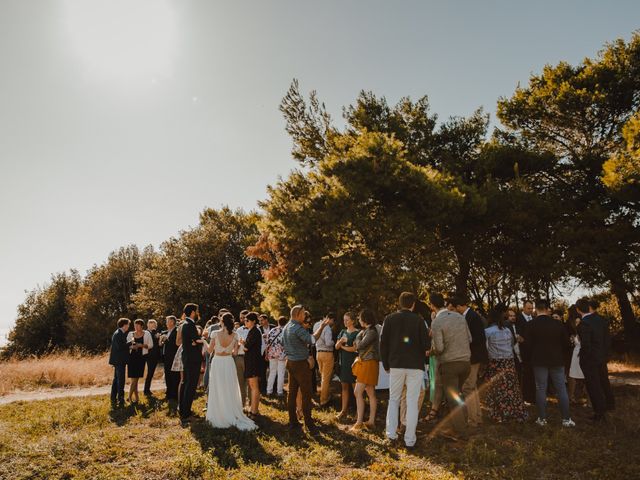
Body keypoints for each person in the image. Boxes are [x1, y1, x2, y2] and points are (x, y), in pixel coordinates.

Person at [380, 292, 429, 449]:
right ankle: (410, 439)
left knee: (393, 399)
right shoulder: (419, 321)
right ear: (413, 304)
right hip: (415, 366)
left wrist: (386, 364)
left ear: (399, 303)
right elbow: (426, 347)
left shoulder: (389, 319)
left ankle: (391, 434)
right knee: (412, 402)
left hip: (396, 364)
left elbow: (383, 343)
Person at [523, 299, 575, 427]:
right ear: (547, 309)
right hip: (557, 360)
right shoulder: (558, 324)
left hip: (539, 361)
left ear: (536, 309)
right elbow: (567, 344)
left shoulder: (531, 325)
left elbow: (527, 345)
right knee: (561, 389)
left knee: (540, 389)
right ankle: (566, 419)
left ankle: (542, 419)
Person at [282, 305, 331, 434]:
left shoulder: (286, 327)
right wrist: (321, 327)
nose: (305, 316)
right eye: (303, 314)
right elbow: (312, 339)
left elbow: (283, 343)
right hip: (300, 365)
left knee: (292, 393)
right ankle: (309, 424)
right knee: (306, 394)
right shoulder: (297, 328)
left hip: (290, 362)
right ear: (298, 314)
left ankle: (293, 422)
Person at [429, 292, 472, 440]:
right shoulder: (460, 317)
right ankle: (460, 425)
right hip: (466, 363)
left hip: (450, 364)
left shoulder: (436, 322)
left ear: (432, 306)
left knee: (453, 398)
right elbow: (470, 338)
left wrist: (430, 352)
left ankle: (460, 432)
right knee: (458, 394)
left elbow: (439, 348)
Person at [205, 312, 257, 430]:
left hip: (217, 362)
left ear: (222, 322)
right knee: (229, 387)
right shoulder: (235, 335)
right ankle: (230, 410)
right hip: (228, 362)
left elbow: (209, 350)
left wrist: (203, 341)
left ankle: (219, 412)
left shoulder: (214, 333)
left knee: (218, 386)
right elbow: (234, 353)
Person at [483, 305, 527, 423]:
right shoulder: (507, 330)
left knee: (497, 388)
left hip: (496, 362)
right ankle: (514, 411)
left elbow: (486, 347)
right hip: (509, 361)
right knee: (511, 388)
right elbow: (512, 343)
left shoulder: (487, 332)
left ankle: (499, 413)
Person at [450, 295, 488, 428]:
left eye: (455, 308)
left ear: (460, 306)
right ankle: (477, 417)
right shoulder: (469, 316)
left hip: (474, 357)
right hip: (472, 356)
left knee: (467, 388)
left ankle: (472, 420)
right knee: (473, 387)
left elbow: (478, 338)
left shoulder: (471, 317)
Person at [576, 298, 614, 422]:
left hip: (590, 360)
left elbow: (586, 345)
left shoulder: (583, 324)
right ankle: (609, 405)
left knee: (593, 386)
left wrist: (584, 359)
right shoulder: (601, 320)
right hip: (601, 358)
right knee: (603, 382)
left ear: (578, 310)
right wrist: (605, 355)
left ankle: (599, 413)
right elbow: (607, 340)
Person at [350, 309, 380, 432]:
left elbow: (360, 345)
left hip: (368, 363)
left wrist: (357, 337)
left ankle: (359, 422)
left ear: (365, 319)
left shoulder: (371, 331)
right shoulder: (368, 331)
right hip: (368, 363)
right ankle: (371, 421)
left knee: (358, 392)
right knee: (370, 391)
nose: (359, 320)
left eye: (360, 318)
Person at [179, 303, 204, 422]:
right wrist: (201, 340)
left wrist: (195, 341)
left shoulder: (185, 324)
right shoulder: (190, 324)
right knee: (191, 385)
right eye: (197, 311)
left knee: (186, 383)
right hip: (192, 359)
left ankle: (183, 410)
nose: (198, 313)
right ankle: (186, 414)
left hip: (188, 358)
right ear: (193, 312)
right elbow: (197, 340)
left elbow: (193, 341)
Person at [335, 312, 359, 420]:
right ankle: (343, 410)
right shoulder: (342, 332)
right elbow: (336, 347)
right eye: (344, 320)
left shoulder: (357, 333)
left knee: (356, 389)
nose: (345, 322)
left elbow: (354, 349)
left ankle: (359, 412)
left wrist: (343, 347)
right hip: (343, 363)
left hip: (354, 364)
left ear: (353, 321)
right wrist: (340, 342)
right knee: (344, 387)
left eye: (347, 320)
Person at [126, 319, 153, 403]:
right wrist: (132, 347)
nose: (136, 327)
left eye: (138, 325)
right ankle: (133, 398)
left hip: (141, 358)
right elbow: (127, 345)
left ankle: (131, 397)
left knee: (136, 379)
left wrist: (141, 345)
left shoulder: (147, 333)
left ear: (142, 326)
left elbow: (151, 345)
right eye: (135, 325)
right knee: (134, 379)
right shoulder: (130, 334)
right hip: (132, 357)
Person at [515, 300, 536, 403]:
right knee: (526, 374)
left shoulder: (534, 318)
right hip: (523, 351)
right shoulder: (519, 319)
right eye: (528, 308)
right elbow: (518, 335)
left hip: (534, 351)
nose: (530, 310)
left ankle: (533, 396)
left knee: (533, 374)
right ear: (523, 308)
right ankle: (526, 396)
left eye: (532, 308)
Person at [243, 312, 263, 417]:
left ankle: (254, 411)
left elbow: (246, 347)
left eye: (247, 320)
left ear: (253, 321)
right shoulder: (252, 331)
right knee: (252, 385)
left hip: (253, 362)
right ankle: (253, 408)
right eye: (245, 320)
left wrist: (241, 343)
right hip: (250, 361)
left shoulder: (255, 331)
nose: (245, 322)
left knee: (254, 386)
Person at [314, 312, 335, 408]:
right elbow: (328, 342)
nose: (332, 323)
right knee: (326, 378)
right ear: (329, 318)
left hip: (318, 353)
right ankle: (324, 400)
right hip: (327, 353)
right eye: (333, 320)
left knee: (322, 376)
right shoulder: (327, 328)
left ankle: (323, 394)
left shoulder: (316, 325)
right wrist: (334, 342)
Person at [109, 318, 131, 407]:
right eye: (128, 324)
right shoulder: (118, 334)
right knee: (120, 380)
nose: (128, 326)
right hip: (119, 361)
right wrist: (130, 342)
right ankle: (120, 399)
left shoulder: (120, 333)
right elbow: (120, 347)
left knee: (116, 379)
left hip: (118, 360)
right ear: (124, 325)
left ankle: (113, 397)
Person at [566, 306, 585, 404]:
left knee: (581, 375)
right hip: (575, 353)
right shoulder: (576, 329)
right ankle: (573, 395)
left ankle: (576, 395)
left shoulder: (570, 323)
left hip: (578, 353)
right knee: (573, 374)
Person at [266, 316, 288, 397]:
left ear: (278, 322)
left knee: (272, 372)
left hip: (272, 354)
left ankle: (269, 391)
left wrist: (266, 354)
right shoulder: (286, 331)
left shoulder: (272, 330)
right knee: (281, 373)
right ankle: (279, 391)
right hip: (281, 354)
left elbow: (268, 343)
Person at [161, 315, 180, 401]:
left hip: (173, 357)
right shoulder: (168, 331)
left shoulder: (176, 331)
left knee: (174, 376)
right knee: (167, 375)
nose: (166, 323)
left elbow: (175, 344)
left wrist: (166, 339)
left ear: (172, 322)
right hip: (167, 357)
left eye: (167, 321)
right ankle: (169, 393)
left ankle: (174, 394)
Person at [234, 310, 250, 408]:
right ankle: (242, 404)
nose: (242, 320)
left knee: (250, 383)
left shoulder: (254, 330)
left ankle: (252, 405)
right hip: (239, 357)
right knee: (240, 383)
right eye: (241, 318)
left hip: (249, 358)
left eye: (244, 317)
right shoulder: (238, 330)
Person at [143, 319, 161, 396]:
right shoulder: (146, 333)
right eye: (151, 324)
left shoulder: (155, 333)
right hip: (149, 355)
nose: (153, 326)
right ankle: (146, 390)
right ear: (148, 325)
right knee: (150, 373)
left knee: (151, 373)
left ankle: (147, 389)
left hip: (155, 355)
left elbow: (158, 344)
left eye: (154, 325)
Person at [258, 314, 272, 394]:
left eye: (262, 320)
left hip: (272, 352)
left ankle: (273, 388)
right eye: (259, 321)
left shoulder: (273, 327)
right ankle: (263, 388)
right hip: (262, 353)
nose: (260, 322)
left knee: (273, 371)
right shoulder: (259, 329)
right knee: (262, 371)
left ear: (266, 320)